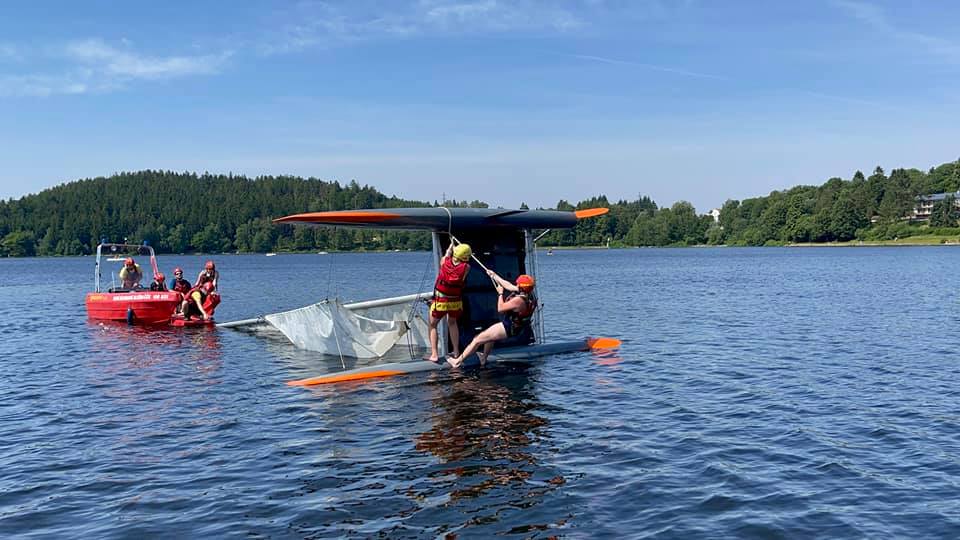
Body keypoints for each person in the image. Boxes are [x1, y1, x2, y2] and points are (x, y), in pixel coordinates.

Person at [447, 271, 537, 368]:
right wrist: (494, 275)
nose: (516, 284)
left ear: (521, 287)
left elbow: (500, 309)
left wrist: (500, 294)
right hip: (515, 327)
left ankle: (457, 362)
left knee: (477, 340)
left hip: (508, 327)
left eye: (518, 284)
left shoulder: (519, 301)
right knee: (490, 337)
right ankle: (483, 358)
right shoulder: (530, 295)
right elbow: (508, 285)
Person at [426, 242, 471, 362]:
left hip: (441, 301)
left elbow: (447, 255)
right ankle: (456, 352)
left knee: (432, 325)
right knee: (452, 322)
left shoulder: (444, 262)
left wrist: (450, 248)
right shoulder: (467, 267)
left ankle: (434, 354)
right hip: (455, 302)